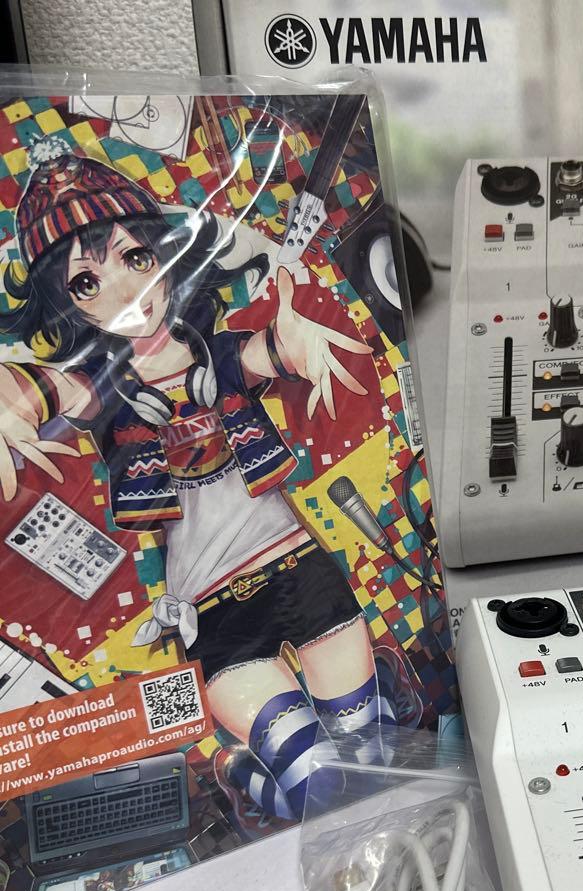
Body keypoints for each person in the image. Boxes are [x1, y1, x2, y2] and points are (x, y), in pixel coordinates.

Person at [0, 136, 397, 820]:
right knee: (320, 788)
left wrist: (296, 340)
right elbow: (43, 390)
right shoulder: (104, 389)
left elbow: (269, 351)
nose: (126, 291)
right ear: (66, 304)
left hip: (301, 573)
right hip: (215, 616)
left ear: (164, 254)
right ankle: (254, 781)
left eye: (135, 258)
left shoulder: (217, 355)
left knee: (378, 754)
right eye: (86, 282)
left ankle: (272, 775)